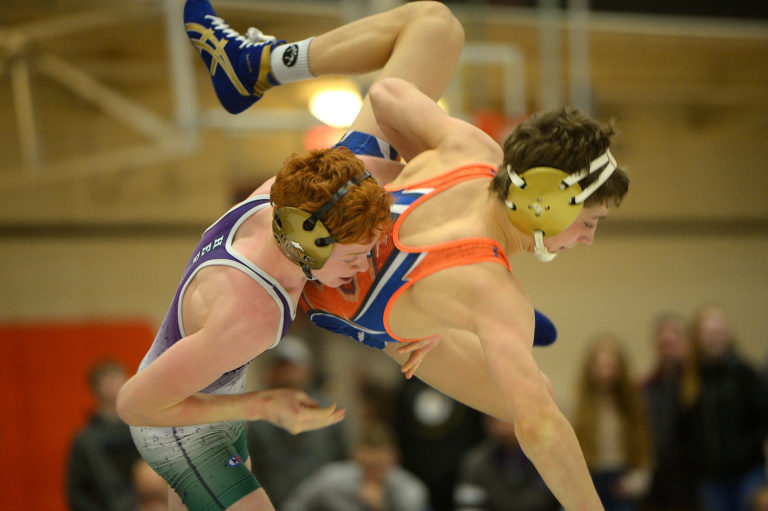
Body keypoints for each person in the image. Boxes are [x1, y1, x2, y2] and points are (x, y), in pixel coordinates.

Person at [116, 1, 464, 510]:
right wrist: (265, 404)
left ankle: (263, 62)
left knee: (436, 24)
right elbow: (135, 404)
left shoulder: (292, 196)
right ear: (311, 242)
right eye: (357, 257)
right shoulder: (254, 315)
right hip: (177, 427)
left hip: (206, 386)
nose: (365, 265)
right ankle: (259, 63)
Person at [298, 72, 630, 508]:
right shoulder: (493, 289)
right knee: (537, 399)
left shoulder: (473, 151)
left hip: (334, 253)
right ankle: (442, 316)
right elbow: (538, 429)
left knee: (437, 24)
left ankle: (436, 309)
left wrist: (403, 174)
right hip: (357, 314)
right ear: (549, 201)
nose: (587, 240)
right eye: (588, 222)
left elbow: (385, 92)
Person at [678, 303, 768, 511]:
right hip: (710, 478)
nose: (714, 337)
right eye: (709, 332)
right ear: (698, 337)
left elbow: (762, 420)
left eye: (719, 331)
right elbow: (683, 430)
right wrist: (696, 460)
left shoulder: (745, 373)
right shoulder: (691, 379)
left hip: (747, 473)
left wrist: (742, 451)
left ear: (728, 334)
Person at [246, 336, 349, 508]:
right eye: (280, 368)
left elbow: (345, 462)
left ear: (307, 370)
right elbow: (253, 469)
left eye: (291, 367)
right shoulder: (259, 418)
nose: (286, 374)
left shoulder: (329, 409)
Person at [572, 335, 653, 511]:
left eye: (610, 365)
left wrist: (637, 481)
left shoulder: (633, 404)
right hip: (591, 476)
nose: (604, 371)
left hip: (621, 477)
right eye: (599, 365)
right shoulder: (580, 406)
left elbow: (644, 447)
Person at [280, 421, 430, 511]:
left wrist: (380, 507)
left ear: (393, 459)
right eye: (366, 466)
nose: (371, 473)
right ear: (355, 457)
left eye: (378, 467)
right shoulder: (332, 479)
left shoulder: (410, 491)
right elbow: (294, 504)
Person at [392, 376, 485, 511]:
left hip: (457, 471)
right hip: (416, 469)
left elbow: (477, 423)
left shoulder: (464, 373)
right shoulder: (409, 378)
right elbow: (400, 425)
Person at [640, 313, 699, 511]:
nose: (668, 345)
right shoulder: (648, 387)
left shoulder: (700, 383)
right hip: (660, 479)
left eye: (674, 339)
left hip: (697, 480)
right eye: (663, 342)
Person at [67, 358, 141, 511]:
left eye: (117, 376)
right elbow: (77, 492)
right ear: (95, 387)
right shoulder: (86, 441)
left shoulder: (143, 431)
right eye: (107, 378)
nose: (113, 384)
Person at [454, 414, 559, 511]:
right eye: (494, 420)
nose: (502, 428)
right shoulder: (475, 464)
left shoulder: (552, 461)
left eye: (508, 420)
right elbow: (469, 507)